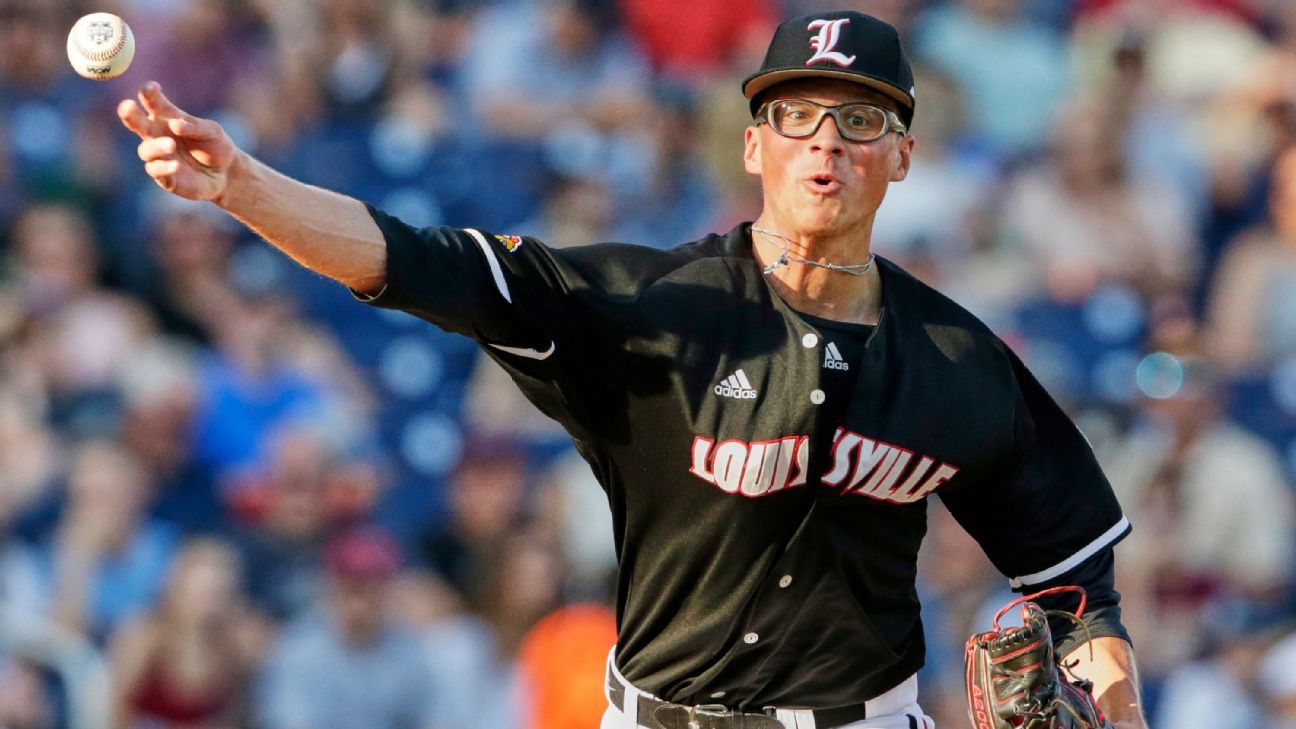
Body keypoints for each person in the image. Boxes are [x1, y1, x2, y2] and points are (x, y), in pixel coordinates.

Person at [118, 10, 1148, 728]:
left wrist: (1115, 704)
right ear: (754, 146)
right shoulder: (649, 308)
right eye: (796, 114)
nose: (825, 143)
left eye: (862, 118)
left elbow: (1072, 586)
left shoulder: (962, 363)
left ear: (903, 155)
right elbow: (410, 261)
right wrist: (244, 186)